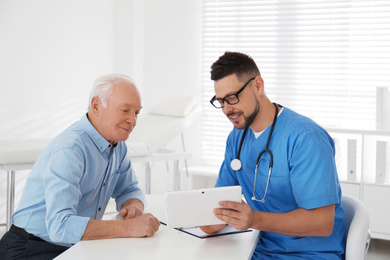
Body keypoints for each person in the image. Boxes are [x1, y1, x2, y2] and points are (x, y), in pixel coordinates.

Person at [199, 52, 345, 259]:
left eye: (232, 98)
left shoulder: (305, 138)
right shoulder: (237, 137)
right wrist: (204, 216)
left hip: (309, 254)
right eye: (221, 101)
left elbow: (322, 222)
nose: (227, 109)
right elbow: (221, 201)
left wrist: (254, 219)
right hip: (256, 249)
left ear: (258, 85)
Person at [0, 74, 160, 260]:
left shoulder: (117, 145)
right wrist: (129, 228)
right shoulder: (70, 149)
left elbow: (129, 189)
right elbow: (60, 226)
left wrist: (134, 205)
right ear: (96, 105)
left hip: (73, 245)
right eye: (125, 110)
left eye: (136, 113)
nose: (132, 121)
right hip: (30, 247)